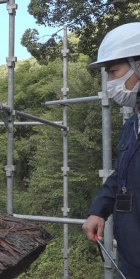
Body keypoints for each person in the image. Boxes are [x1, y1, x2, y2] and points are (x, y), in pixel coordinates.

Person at [83, 22, 140, 278]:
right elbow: (120, 176)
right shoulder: (133, 124)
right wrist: (99, 209)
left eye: (113, 71)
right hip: (130, 260)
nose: (109, 82)